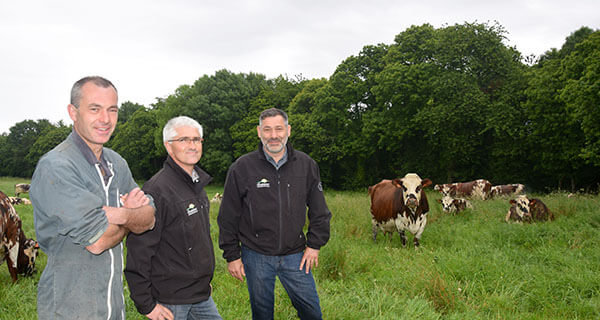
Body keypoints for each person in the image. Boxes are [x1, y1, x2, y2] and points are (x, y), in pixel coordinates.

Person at [30, 76, 156, 320]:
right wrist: (132, 217)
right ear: (73, 112)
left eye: (112, 110)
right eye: (95, 109)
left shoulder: (117, 163)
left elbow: (150, 217)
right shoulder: (56, 167)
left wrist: (118, 215)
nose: (105, 119)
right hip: (70, 310)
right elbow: (98, 241)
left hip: (113, 308)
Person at [218, 108, 332, 320]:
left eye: (279, 129)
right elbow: (228, 216)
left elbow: (319, 210)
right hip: (256, 255)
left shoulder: (306, 165)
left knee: (312, 313)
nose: (273, 135)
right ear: (258, 132)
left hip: (296, 255)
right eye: (267, 130)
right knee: (262, 314)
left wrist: (314, 245)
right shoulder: (242, 167)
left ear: (288, 130)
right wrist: (232, 256)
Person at [125, 116, 222, 320]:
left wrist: (202, 279)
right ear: (168, 146)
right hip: (170, 300)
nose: (192, 145)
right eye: (184, 140)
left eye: (196, 140)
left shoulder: (197, 185)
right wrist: (147, 305)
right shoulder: (158, 190)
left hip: (200, 294)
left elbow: (196, 240)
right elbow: (139, 250)